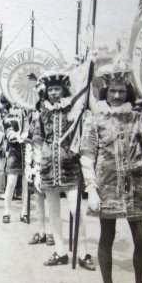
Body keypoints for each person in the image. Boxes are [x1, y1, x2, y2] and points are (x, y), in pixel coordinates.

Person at [80, 63, 142, 283]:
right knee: (108, 236)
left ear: (128, 93)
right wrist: (91, 188)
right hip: (107, 185)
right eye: (112, 90)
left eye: (121, 91)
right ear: (105, 92)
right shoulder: (95, 118)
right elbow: (87, 154)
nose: (116, 95)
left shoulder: (137, 117)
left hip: (136, 184)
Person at [31, 70, 93, 270]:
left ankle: (83, 253)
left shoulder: (72, 110)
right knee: (53, 211)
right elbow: (38, 140)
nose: (53, 93)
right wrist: (37, 165)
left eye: (56, 89)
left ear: (64, 89)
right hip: (49, 166)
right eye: (50, 90)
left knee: (77, 211)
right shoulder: (42, 111)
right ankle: (60, 251)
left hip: (70, 166)